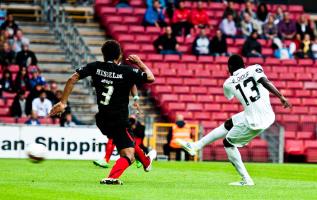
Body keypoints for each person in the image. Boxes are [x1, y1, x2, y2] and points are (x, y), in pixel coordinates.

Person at [49, 40, 156, 185]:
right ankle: (112, 177)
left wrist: (63, 102)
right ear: (119, 55)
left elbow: (72, 78)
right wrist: (139, 63)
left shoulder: (95, 67)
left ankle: (146, 161)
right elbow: (150, 78)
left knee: (128, 141)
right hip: (119, 120)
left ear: (103, 54)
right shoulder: (127, 71)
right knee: (128, 155)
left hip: (103, 120)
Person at [177, 54, 291, 186]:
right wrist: (281, 96)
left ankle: (246, 179)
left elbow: (229, 97)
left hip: (254, 121)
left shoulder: (228, 82)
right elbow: (264, 82)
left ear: (229, 67)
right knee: (229, 123)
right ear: (243, 64)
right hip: (267, 115)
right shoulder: (255, 68)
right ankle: (196, 146)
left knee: (228, 143)